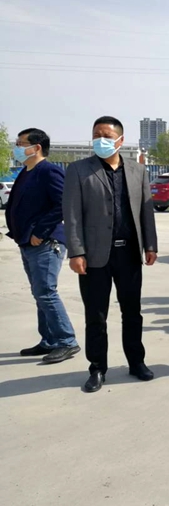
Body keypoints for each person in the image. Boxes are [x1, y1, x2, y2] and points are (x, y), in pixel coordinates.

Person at [63, 116, 159, 393]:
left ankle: (136, 362)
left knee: (133, 312)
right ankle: (97, 368)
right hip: (94, 256)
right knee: (96, 315)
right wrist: (76, 251)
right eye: (96, 135)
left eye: (106, 135)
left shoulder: (137, 170)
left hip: (129, 253)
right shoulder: (79, 170)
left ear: (120, 140)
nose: (100, 140)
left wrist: (150, 245)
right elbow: (71, 214)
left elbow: (146, 211)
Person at [7, 128, 80, 363]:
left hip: (46, 243)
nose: (17, 148)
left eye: (21, 143)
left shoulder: (49, 171)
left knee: (46, 293)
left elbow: (63, 204)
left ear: (36, 147)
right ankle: (49, 340)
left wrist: (40, 231)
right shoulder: (26, 171)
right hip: (27, 242)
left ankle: (67, 341)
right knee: (39, 293)